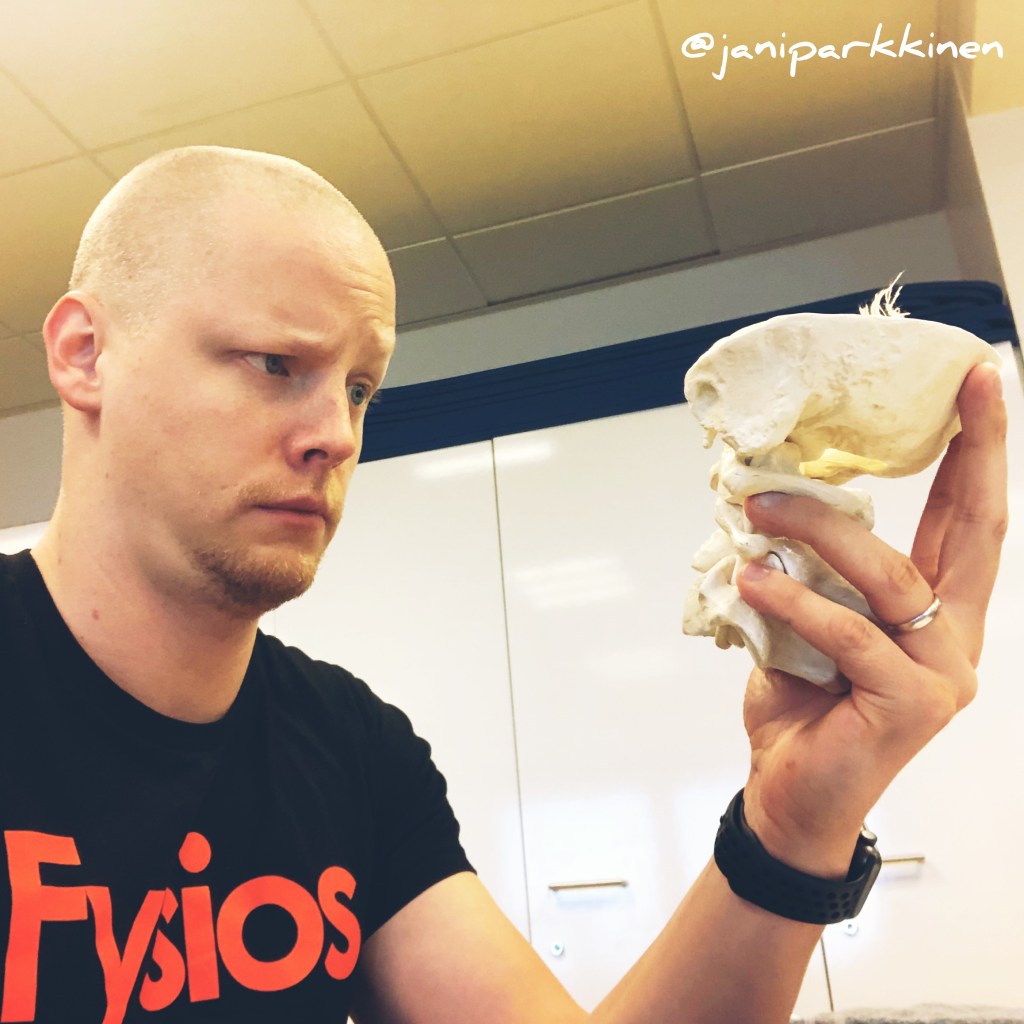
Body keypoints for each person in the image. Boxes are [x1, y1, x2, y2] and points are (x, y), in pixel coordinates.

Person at [0, 145, 1008, 1024]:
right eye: (274, 364)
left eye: (359, 387)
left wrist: (792, 829)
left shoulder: (352, 749)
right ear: (86, 355)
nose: (337, 435)